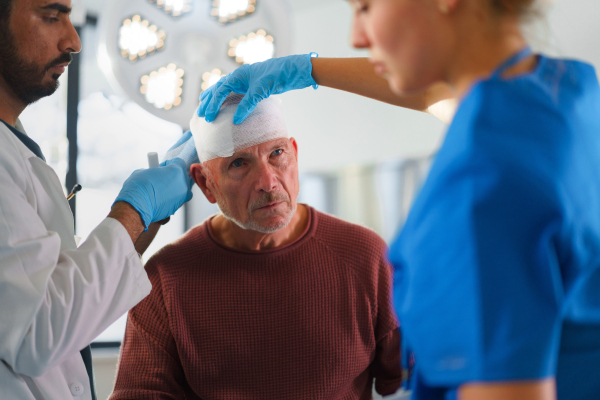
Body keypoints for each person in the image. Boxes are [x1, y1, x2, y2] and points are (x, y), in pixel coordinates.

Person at [196, 1, 600, 399]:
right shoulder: (569, 92)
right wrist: (308, 70)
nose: (356, 36)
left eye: (366, 7)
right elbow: (444, 97)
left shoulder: (480, 189)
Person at [109, 94, 402, 400]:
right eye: (239, 163)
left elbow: (413, 376)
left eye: (277, 153)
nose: (268, 181)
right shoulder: (167, 278)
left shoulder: (364, 256)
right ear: (206, 183)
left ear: (295, 154)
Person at [0, 1, 193, 399]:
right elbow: (40, 327)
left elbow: (63, 300)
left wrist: (144, 222)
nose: (73, 41)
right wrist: (133, 211)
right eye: (51, 17)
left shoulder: (17, 148)